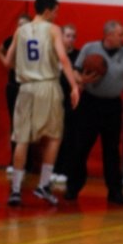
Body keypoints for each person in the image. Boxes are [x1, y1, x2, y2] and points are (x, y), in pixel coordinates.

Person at [64, 21, 123, 205]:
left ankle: (115, 192)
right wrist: (81, 79)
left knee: (112, 151)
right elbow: (75, 72)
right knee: (81, 147)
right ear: (108, 35)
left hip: (113, 107)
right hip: (90, 104)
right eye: (120, 34)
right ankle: (73, 188)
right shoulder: (90, 48)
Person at [4, 0, 79, 207]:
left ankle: (15, 190)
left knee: (22, 139)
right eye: (55, 11)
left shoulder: (20, 30)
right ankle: (43, 185)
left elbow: (8, 62)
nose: (56, 15)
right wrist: (74, 86)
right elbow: (63, 58)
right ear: (47, 11)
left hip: (25, 87)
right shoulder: (53, 29)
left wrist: (25, 68)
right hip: (47, 85)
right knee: (54, 136)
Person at [0, 13, 32, 173]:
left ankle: (27, 163)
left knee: (28, 126)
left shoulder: (35, 43)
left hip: (29, 88)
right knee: (15, 125)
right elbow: (0, 50)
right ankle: (14, 161)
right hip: (13, 87)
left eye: (25, 24)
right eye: (19, 25)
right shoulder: (12, 40)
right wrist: (8, 64)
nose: (21, 27)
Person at [52, 24, 79, 184]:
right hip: (55, 99)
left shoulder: (78, 55)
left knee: (69, 135)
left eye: (73, 36)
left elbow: (80, 78)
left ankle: (65, 169)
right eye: (68, 35)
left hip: (71, 101)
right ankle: (54, 168)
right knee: (54, 136)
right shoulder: (54, 53)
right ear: (61, 37)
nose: (70, 39)